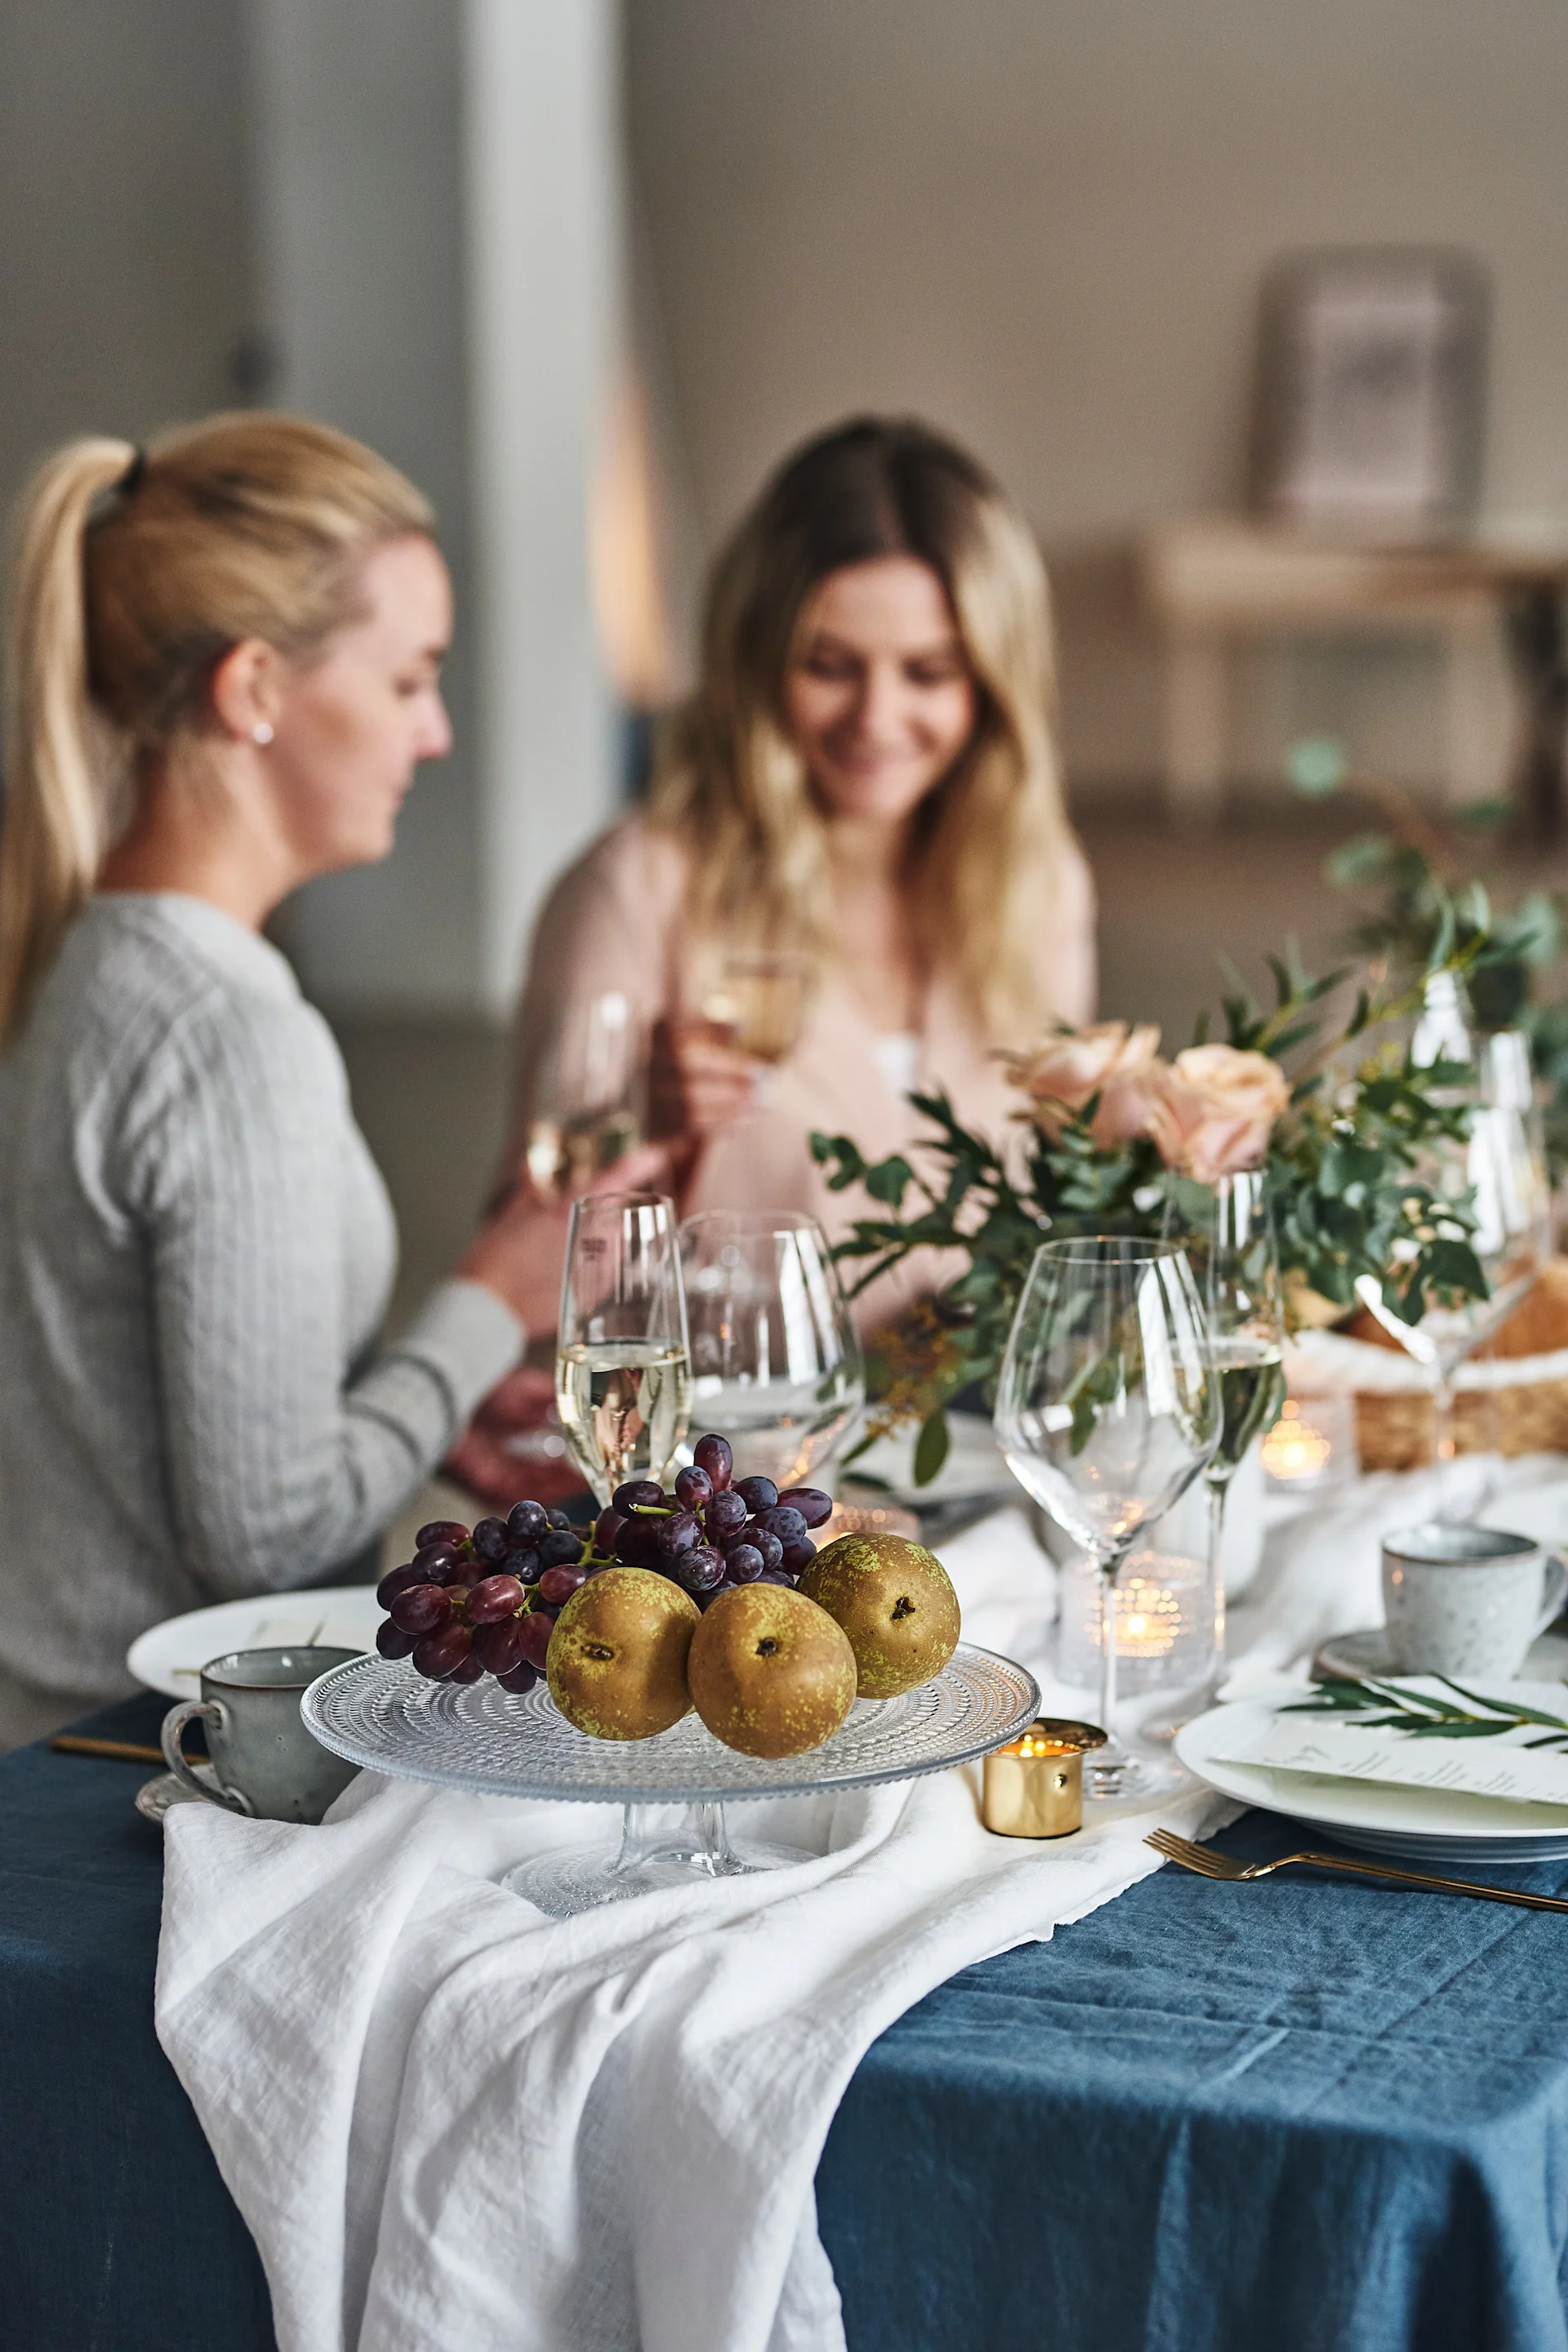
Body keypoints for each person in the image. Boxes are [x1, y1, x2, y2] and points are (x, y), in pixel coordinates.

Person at [0, 414, 608, 1746]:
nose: (436, 733)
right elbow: (264, 1541)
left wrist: (429, 1395)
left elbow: (152, 1428)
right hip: (142, 1759)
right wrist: (483, 1307)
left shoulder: (80, 960)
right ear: (257, 687)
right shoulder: (228, 1036)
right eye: (407, 681)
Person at [499, 415, 1095, 1332]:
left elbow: (1055, 1221)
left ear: (990, 684)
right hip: (731, 1462)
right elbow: (533, 1274)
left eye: (929, 672)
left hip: (970, 1448)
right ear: (756, 660)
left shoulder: (1038, 886)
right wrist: (640, 1129)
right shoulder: (641, 885)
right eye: (830, 666)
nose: (878, 717)